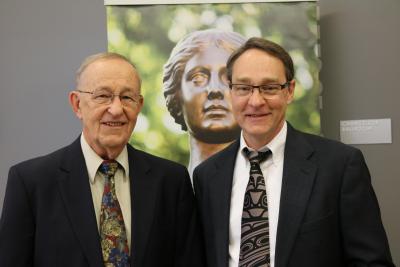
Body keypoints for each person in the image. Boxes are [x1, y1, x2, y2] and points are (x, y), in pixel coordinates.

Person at [193, 37, 394, 267]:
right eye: (244, 88)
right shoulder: (207, 176)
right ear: (231, 91)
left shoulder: (339, 166)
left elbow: (372, 262)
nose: (256, 101)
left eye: (269, 88)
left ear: (289, 91)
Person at [0, 52, 204, 267]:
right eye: (102, 96)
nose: (116, 109)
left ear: (139, 105)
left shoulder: (171, 181)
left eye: (127, 97)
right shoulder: (32, 183)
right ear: (77, 104)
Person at [163, 29, 246, 176]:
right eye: (198, 78)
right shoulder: (162, 193)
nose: (214, 89)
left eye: (229, 79)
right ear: (177, 94)